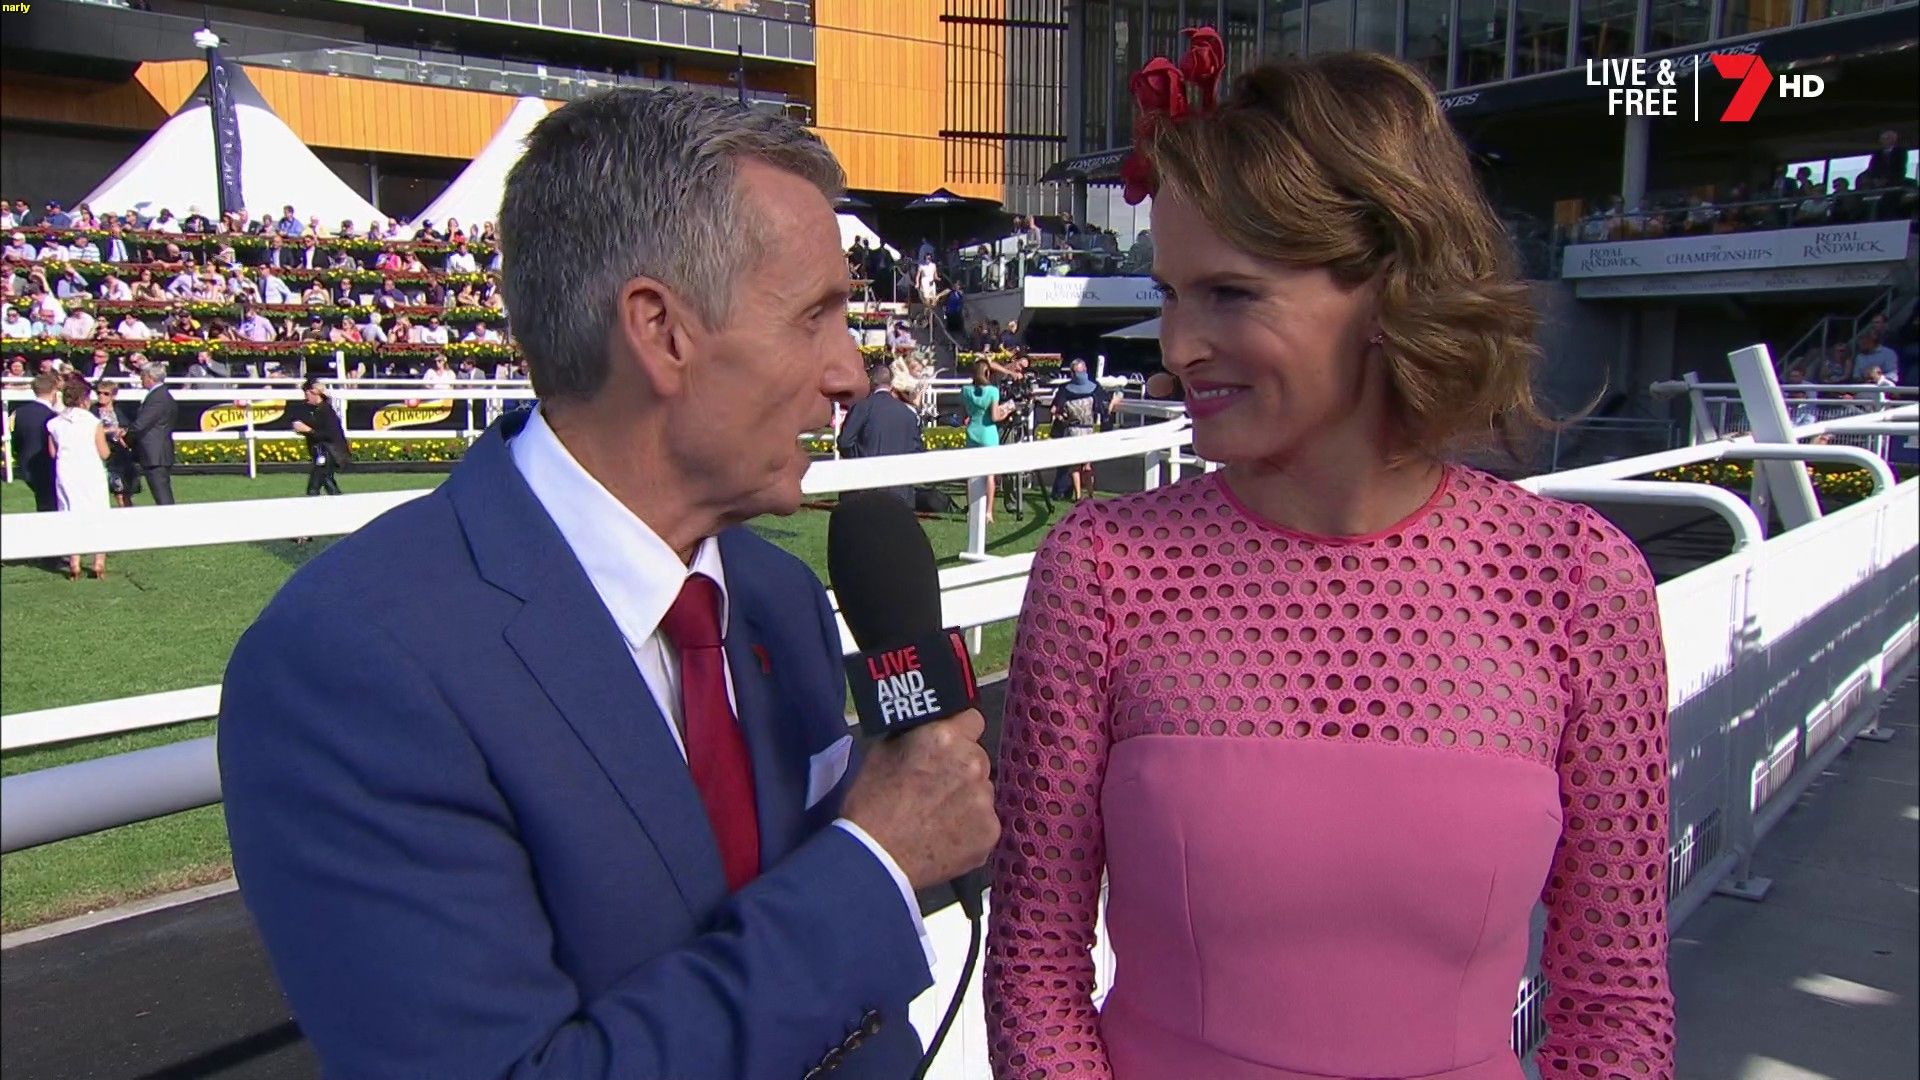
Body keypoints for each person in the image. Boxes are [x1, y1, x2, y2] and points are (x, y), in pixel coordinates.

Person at [217, 88, 998, 1079]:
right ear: (661, 332)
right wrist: (875, 866)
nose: (850, 373)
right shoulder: (351, 668)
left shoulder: (778, 596)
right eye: (815, 317)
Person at [986, 46, 1674, 1080]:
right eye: (1170, 293)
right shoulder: (1104, 570)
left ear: (1391, 290)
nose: (1176, 346)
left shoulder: (1578, 584)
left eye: (1229, 294)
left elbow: (1615, 1002)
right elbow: (1034, 965)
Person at [46, 374, 112, 580]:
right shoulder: (93, 422)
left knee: (69, 511)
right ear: (84, 399)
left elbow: (52, 453)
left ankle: (74, 562)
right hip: (90, 471)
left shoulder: (54, 423)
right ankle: (98, 562)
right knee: (98, 512)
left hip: (67, 471)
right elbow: (104, 453)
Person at [835, 363, 923, 506]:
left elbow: (845, 442)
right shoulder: (909, 414)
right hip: (901, 493)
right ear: (891, 384)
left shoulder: (862, 407)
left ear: (870, 382)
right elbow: (917, 450)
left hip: (866, 488)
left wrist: (859, 459)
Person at [1047, 358, 1116, 501]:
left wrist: (1063, 418)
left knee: (1074, 465)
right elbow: (1103, 408)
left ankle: (1077, 495)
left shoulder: (1065, 389)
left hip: (1072, 429)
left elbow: (1054, 409)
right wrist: (1115, 401)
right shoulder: (1094, 388)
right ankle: (1090, 494)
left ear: (1072, 373)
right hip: (1088, 429)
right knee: (1087, 465)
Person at [960, 360, 1011, 524]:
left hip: (972, 431)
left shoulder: (965, 390)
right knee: (990, 475)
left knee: (972, 474)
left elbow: (966, 413)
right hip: (988, 432)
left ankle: (972, 509)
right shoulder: (992, 391)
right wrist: (1006, 411)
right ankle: (988, 511)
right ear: (987, 373)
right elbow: (995, 417)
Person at [8, 370, 60, 512]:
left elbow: (15, 440)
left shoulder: (20, 412)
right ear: (54, 391)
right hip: (48, 466)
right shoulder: (52, 416)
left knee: (43, 502)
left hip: (26, 465)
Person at [127, 363, 177, 505]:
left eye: (143, 376)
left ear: (150, 377)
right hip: (156, 453)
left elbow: (140, 425)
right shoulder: (160, 395)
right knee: (162, 495)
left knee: (163, 497)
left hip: (155, 454)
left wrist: (125, 438)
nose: (141, 379)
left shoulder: (158, 398)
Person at [292, 379, 349, 497]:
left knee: (315, 485)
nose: (306, 398)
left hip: (330, 452)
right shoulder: (313, 409)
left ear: (314, 393)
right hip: (321, 452)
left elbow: (329, 435)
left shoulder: (327, 412)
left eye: (307, 394)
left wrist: (308, 430)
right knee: (327, 480)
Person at [94, 380, 141, 507]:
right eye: (99, 393)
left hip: (121, 454)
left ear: (113, 395)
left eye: (106, 393)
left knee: (125, 492)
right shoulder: (93, 411)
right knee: (117, 491)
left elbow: (130, 428)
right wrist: (109, 430)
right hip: (103, 453)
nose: (101, 396)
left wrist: (124, 433)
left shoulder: (121, 410)